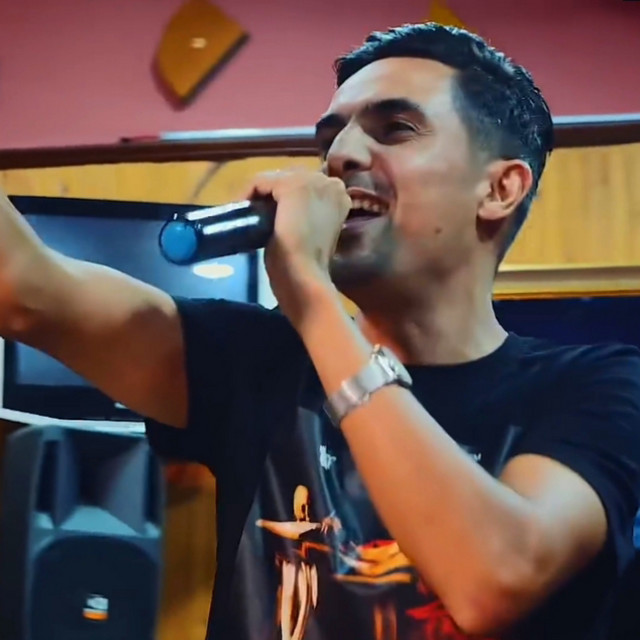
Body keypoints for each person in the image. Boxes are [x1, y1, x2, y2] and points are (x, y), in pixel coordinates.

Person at [0, 22, 639, 640]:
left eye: (396, 129)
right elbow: (26, 290)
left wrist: (309, 294)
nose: (340, 157)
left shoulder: (597, 387)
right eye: (331, 137)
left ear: (499, 188)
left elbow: (494, 577)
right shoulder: (253, 361)